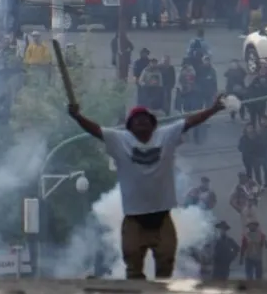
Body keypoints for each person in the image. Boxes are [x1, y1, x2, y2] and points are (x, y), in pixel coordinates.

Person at [67, 95, 225, 280]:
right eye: (136, 120)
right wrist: (78, 117)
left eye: (145, 119)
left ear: (153, 124)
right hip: (135, 221)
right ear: (129, 126)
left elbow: (190, 122)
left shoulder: (166, 135)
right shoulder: (119, 139)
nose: (141, 122)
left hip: (162, 218)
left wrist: (213, 109)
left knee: (166, 267)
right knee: (133, 270)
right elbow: (95, 130)